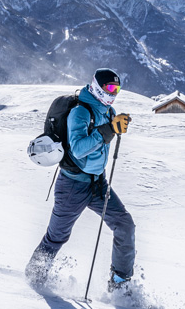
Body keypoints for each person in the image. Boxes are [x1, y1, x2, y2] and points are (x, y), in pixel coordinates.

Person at [26, 68, 134, 292]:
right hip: (73, 185)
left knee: (124, 225)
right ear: (96, 86)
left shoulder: (108, 111)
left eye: (117, 89)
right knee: (56, 237)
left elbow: (103, 139)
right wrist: (108, 129)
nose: (114, 93)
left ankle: (120, 285)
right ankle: (34, 277)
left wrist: (113, 127)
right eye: (110, 88)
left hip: (98, 183)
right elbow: (78, 148)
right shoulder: (80, 112)